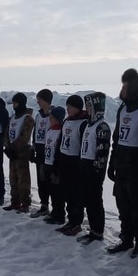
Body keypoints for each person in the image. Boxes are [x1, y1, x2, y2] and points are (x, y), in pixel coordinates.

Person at [107, 69, 138, 257]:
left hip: (136, 165)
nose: (122, 90)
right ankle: (126, 238)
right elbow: (117, 136)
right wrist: (113, 161)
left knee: (137, 206)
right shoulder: (123, 108)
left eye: (125, 86)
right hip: (121, 162)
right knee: (122, 203)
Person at [76, 92, 111, 244]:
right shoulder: (89, 124)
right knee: (88, 200)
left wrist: (96, 169)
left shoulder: (102, 126)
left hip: (94, 168)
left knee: (95, 200)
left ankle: (98, 231)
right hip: (85, 164)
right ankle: (92, 229)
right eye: (87, 106)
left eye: (90, 106)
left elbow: (102, 152)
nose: (87, 109)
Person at [55, 95, 88, 235]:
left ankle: (77, 222)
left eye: (70, 106)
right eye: (67, 106)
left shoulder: (83, 122)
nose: (67, 109)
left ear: (77, 107)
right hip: (64, 159)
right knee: (67, 193)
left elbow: (83, 145)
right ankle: (71, 221)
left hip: (75, 161)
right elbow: (61, 141)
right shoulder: (67, 121)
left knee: (76, 195)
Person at [3, 93, 35, 212]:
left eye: (16, 103)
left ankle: (25, 203)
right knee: (13, 177)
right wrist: (7, 146)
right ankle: (15, 201)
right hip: (12, 151)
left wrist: (13, 147)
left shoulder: (28, 118)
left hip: (22, 151)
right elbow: (6, 132)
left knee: (23, 178)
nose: (14, 105)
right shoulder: (12, 117)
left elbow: (25, 136)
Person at [30, 89, 54, 218]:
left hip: (49, 150)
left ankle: (56, 208)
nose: (37, 102)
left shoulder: (54, 114)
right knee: (41, 179)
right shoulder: (38, 115)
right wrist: (33, 147)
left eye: (39, 99)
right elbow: (35, 132)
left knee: (51, 180)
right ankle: (44, 205)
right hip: (39, 149)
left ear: (45, 100)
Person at [42, 106, 66, 225]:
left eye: (52, 117)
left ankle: (60, 214)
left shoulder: (61, 132)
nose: (49, 119)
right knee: (51, 190)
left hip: (55, 165)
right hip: (47, 163)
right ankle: (54, 211)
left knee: (58, 192)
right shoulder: (50, 130)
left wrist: (57, 166)